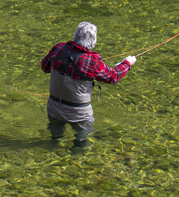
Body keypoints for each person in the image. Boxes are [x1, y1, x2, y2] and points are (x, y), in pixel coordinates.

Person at [40, 22, 136, 150]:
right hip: (79, 114)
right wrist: (127, 63)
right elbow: (114, 77)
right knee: (82, 142)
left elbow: (44, 67)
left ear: (75, 36)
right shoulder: (92, 61)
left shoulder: (58, 49)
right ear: (93, 41)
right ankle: (76, 161)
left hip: (54, 108)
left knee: (55, 138)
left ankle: (52, 154)